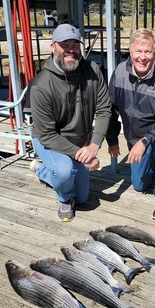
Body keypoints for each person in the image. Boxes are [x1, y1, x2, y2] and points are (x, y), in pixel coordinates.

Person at [29, 24, 111, 222]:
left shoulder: (92, 70)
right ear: (53, 46)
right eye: (65, 45)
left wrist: (94, 145)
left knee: (82, 199)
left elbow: (104, 109)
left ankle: (42, 171)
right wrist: (82, 157)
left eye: (75, 45)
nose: (71, 50)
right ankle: (64, 199)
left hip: (80, 141)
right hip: (49, 140)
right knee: (64, 172)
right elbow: (47, 134)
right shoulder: (41, 85)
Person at [106, 28, 155, 221]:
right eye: (138, 51)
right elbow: (111, 110)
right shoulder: (120, 72)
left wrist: (145, 141)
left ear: (154, 53)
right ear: (130, 52)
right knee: (139, 185)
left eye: (147, 52)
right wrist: (112, 140)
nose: (142, 57)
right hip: (135, 138)